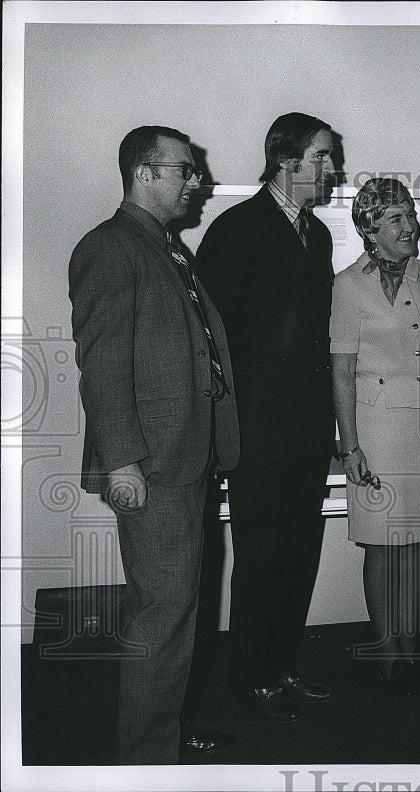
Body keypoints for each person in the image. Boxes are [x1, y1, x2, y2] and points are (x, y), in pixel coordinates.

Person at [68, 125, 240, 763]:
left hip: (186, 457)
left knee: (178, 610)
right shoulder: (111, 248)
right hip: (151, 464)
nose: (196, 183)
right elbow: (103, 365)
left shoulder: (169, 250)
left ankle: (161, 734)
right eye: (184, 171)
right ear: (144, 173)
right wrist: (121, 461)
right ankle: (146, 761)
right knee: (161, 615)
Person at [196, 113, 337, 723]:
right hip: (256, 431)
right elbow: (210, 339)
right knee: (260, 555)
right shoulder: (237, 229)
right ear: (288, 162)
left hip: (307, 430)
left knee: (299, 551)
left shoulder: (320, 235)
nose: (332, 169)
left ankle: (280, 666)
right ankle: (250, 677)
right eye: (324, 158)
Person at [331, 177, 420, 694]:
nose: (410, 227)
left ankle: (411, 642)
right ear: (370, 229)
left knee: (419, 544)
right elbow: (340, 371)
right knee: (383, 545)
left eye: (411, 215)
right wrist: (350, 445)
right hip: (376, 427)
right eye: (396, 219)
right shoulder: (348, 284)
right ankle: (387, 649)